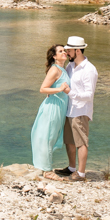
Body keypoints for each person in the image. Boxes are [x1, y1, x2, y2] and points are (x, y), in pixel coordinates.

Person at [54, 35, 98, 182]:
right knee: (69, 141)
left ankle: (81, 173)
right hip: (69, 109)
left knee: (81, 142)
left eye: (69, 51)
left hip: (80, 110)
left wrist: (69, 93)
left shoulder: (90, 70)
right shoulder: (70, 66)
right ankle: (72, 168)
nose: (67, 53)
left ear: (78, 51)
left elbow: (89, 95)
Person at [31, 45, 71, 174]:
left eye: (64, 51)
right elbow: (43, 89)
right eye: (60, 51)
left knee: (52, 136)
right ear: (54, 56)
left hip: (60, 107)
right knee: (47, 137)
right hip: (53, 107)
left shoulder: (62, 69)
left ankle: (44, 168)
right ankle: (46, 170)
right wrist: (58, 89)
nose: (64, 52)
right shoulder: (54, 70)